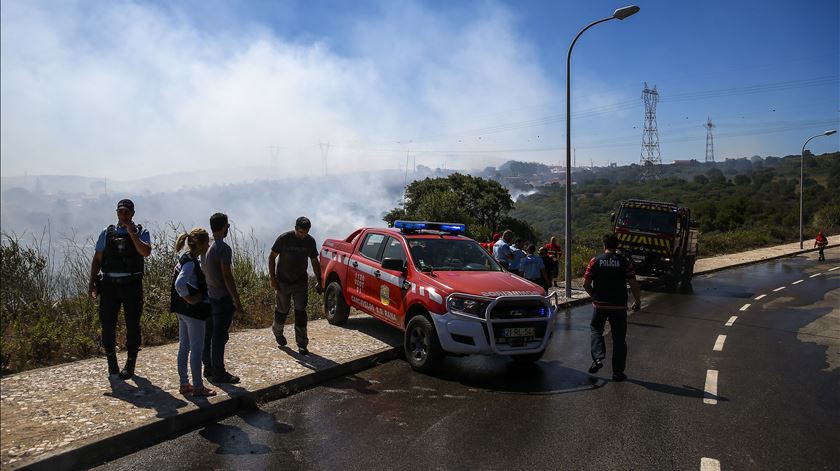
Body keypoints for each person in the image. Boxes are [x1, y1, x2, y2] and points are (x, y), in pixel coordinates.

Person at [88, 199, 152, 379]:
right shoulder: (107, 233)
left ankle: (130, 362)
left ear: (132, 214)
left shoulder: (142, 232)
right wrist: (92, 282)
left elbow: (145, 252)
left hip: (132, 284)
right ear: (116, 212)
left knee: (133, 324)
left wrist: (132, 233)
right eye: (120, 212)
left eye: (126, 212)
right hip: (109, 285)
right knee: (107, 324)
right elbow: (98, 259)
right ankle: (111, 362)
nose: (123, 215)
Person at [583, 234, 642, 382]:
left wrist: (594, 296)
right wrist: (637, 301)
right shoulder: (625, 262)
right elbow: (634, 284)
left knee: (596, 330)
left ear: (604, 245)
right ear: (617, 246)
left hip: (600, 305)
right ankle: (617, 373)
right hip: (619, 306)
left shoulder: (595, 261)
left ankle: (597, 358)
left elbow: (585, 283)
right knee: (619, 338)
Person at [170, 228, 215, 397]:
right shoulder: (190, 263)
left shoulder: (185, 258)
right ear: (202, 244)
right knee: (197, 349)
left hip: (182, 312)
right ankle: (198, 386)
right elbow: (180, 283)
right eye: (207, 243)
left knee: (184, 347)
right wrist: (189, 298)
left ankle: (184, 383)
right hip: (193, 313)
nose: (208, 245)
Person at [269, 216, 323, 355]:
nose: (302, 235)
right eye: (300, 232)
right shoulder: (284, 238)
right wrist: (272, 279)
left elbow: (314, 261)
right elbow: (272, 257)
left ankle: (302, 344)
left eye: (305, 233)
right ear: (295, 228)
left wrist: (319, 279)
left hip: (300, 282)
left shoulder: (310, 241)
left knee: (300, 312)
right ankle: (278, 332)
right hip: (283, 281)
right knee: (282, 310)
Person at [202, 213, 245, 384]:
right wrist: (237, 300)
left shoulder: (207, 245)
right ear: (224, 227)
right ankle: (219, 372)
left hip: (209, 296)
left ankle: (208, 367)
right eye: (227, 226)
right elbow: (227, 276)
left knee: (209, 334)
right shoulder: (223, 248)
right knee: (219, 336)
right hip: (221, 297)